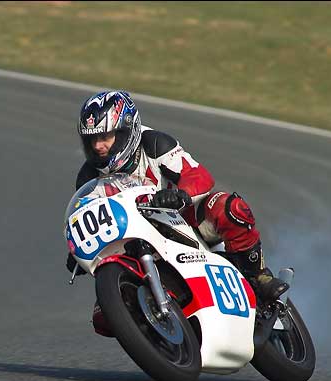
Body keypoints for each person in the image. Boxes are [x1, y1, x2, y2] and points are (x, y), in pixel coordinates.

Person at [66, 91, 288, 336]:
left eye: (105, 136)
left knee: (229, 208)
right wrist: (79, 248)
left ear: (126, 130)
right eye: (92, 139)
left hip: (185, 220)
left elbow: (199, 175)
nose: (98, 146)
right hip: (139, 240)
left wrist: (181, 193)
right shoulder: (88, 178)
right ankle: (157, 330)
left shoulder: (154, 144)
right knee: (103, 318)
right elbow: (88, 216)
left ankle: (258, 277)